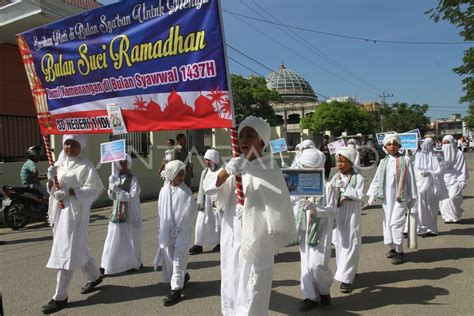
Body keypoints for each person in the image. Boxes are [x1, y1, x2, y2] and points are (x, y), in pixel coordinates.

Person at [203, 116, 296, 316]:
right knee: (232, 280)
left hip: (257, 241)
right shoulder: (234, 167)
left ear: (261, 140)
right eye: (241, 135)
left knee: (254, 286)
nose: (243, 139)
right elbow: (209, 187)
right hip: (231, 238)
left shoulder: (271, 169)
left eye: (250, 135)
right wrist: (226, 172)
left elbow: (276, 206)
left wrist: (252, 210)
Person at [42, 135, 104, 314]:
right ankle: (94, 276)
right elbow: (53, 187)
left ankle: (59, 297)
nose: (70, 147)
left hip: (74, 216)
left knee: (66, 252)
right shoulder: (60, 164)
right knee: (79, 248)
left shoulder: (86, 165)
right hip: (59, 213)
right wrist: (51, 180)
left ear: (81, 147)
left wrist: (70, 192)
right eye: (67, 143)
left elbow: (95, 187)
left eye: (74, 144)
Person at [291, 148, 336, 311]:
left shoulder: (328, 186)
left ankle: (324, 291)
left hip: (321, 231)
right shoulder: (298, 182)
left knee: (317, 265)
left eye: (308, 167)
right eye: (302, 167)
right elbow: (292, 202)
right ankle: (310, 296)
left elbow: (332, 210)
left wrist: (315, 208)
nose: (304, 171)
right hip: (304, 229)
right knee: (306, 265)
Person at [366, 133, 417, 265]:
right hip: (387, 200)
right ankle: (392, 248)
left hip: (401, 198)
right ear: (385, 147)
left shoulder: (406, 160)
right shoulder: (384, 162)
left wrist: (413, 197)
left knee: (396, 224)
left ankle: (400, 251)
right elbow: (377, 180)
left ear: (399, 146)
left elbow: (411, 180)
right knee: (388, 224)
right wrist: (372, 195)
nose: (392, 146)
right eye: (389, 144)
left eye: (394, 144)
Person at [154, 160, 196, 306]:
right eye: (179, 173)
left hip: (181, 232)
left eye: (183, 172)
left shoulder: (186, 192)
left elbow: (189, 213)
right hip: (167, 231)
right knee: (170, 258)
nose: (182, 176)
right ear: (171, 174)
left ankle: (175, 291)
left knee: (178, 258)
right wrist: (160, 229)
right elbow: (160, 212)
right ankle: (183, 276)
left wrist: (177, 229)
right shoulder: (163, 190)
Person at [100, 154, 143, 275]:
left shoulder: (133, 179)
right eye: (121, 162)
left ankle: (135, 263)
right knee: (112, 237)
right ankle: (106, 264)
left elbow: (131, 197)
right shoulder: (116, 178)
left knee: (131, 238)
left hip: (130, 212)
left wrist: (117, 190)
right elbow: (112, 197)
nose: (123, 165)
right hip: (117, 212)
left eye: (125, 162)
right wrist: (111, 187)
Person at [331, 147, 364, 294]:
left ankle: (346, 279)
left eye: (343, 161)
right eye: (338, 161)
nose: (339, 164)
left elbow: (360, 195)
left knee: (351, 244)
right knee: (339, 244)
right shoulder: (334, 177)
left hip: (351, 215)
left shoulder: (358, 178)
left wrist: (345, 189)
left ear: (351, 163)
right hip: (338, 215)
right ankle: (346, 270)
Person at [189, 149, 221, 255]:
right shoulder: (205, 172)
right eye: (205, 159)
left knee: (218, 223)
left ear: (215, 160)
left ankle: (220, 242)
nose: (207, 162)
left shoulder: (220, 172)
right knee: (200, 222)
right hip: (205, 203)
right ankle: (198, 244)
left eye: (209, 160)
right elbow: (201, 189)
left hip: (215, 203)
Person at [413, 139, 442, 236]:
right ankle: (421, 228)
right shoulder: (417, 155)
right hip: (419, 186)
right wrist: (420, 176)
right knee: (419, 208)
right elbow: (414, 169)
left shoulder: (434, 156)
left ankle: (432, 229)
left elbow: (439, 171)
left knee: (431, 208)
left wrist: (429, 173)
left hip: (431, 186)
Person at [439, 135, 469, 223]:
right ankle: (447, 217)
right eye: (444, 143)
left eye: (448, 143)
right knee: (444, 199)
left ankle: (455, 214)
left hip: (455, 178)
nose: (446, 145)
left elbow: (462, 167)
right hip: (443, 179)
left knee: (453, 197)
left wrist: (463, 179)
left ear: (452, 143)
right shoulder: (440, 153)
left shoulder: (459, 153)